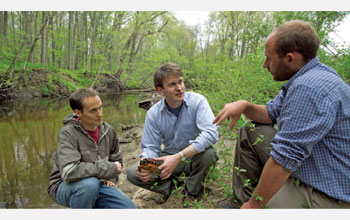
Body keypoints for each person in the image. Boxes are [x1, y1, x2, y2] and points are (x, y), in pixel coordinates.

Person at [213, 20, 350, 209]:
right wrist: (244, 106)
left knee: (267, 204)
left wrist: (254, 205)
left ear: (290, 58)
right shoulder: (309, 75)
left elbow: (285, 158)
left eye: (269, 58)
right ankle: (241, 201)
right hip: (312, 163)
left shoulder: (308, 88)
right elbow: (270, 113)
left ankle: (250, 206)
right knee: (251, 130)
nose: (264, 64)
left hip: (327, 192)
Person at [127, 62, 219, 205]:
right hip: (168, 159)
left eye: (180, 82)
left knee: (210, 154)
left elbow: (211, 133)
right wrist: (146, 165)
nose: (179, 88)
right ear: (160, 90)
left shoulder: (198, 101)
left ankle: (191, 189)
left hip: (194, 157)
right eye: (172, 84)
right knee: (133, 173)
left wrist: (179, 157)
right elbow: (151, 147)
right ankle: (166, 186)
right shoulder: (153, 113)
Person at [47, 88, 137, 209]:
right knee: (89, 186)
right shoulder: (68, 134)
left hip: (99, 183)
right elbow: (69, 172)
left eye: (100, 107)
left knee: (131, 209)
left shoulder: (108, 131)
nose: (100, 114)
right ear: (78, 113)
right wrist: (108, 168)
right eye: (93, 111)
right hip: (65, 185)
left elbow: (116, 161)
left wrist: (111, 178)